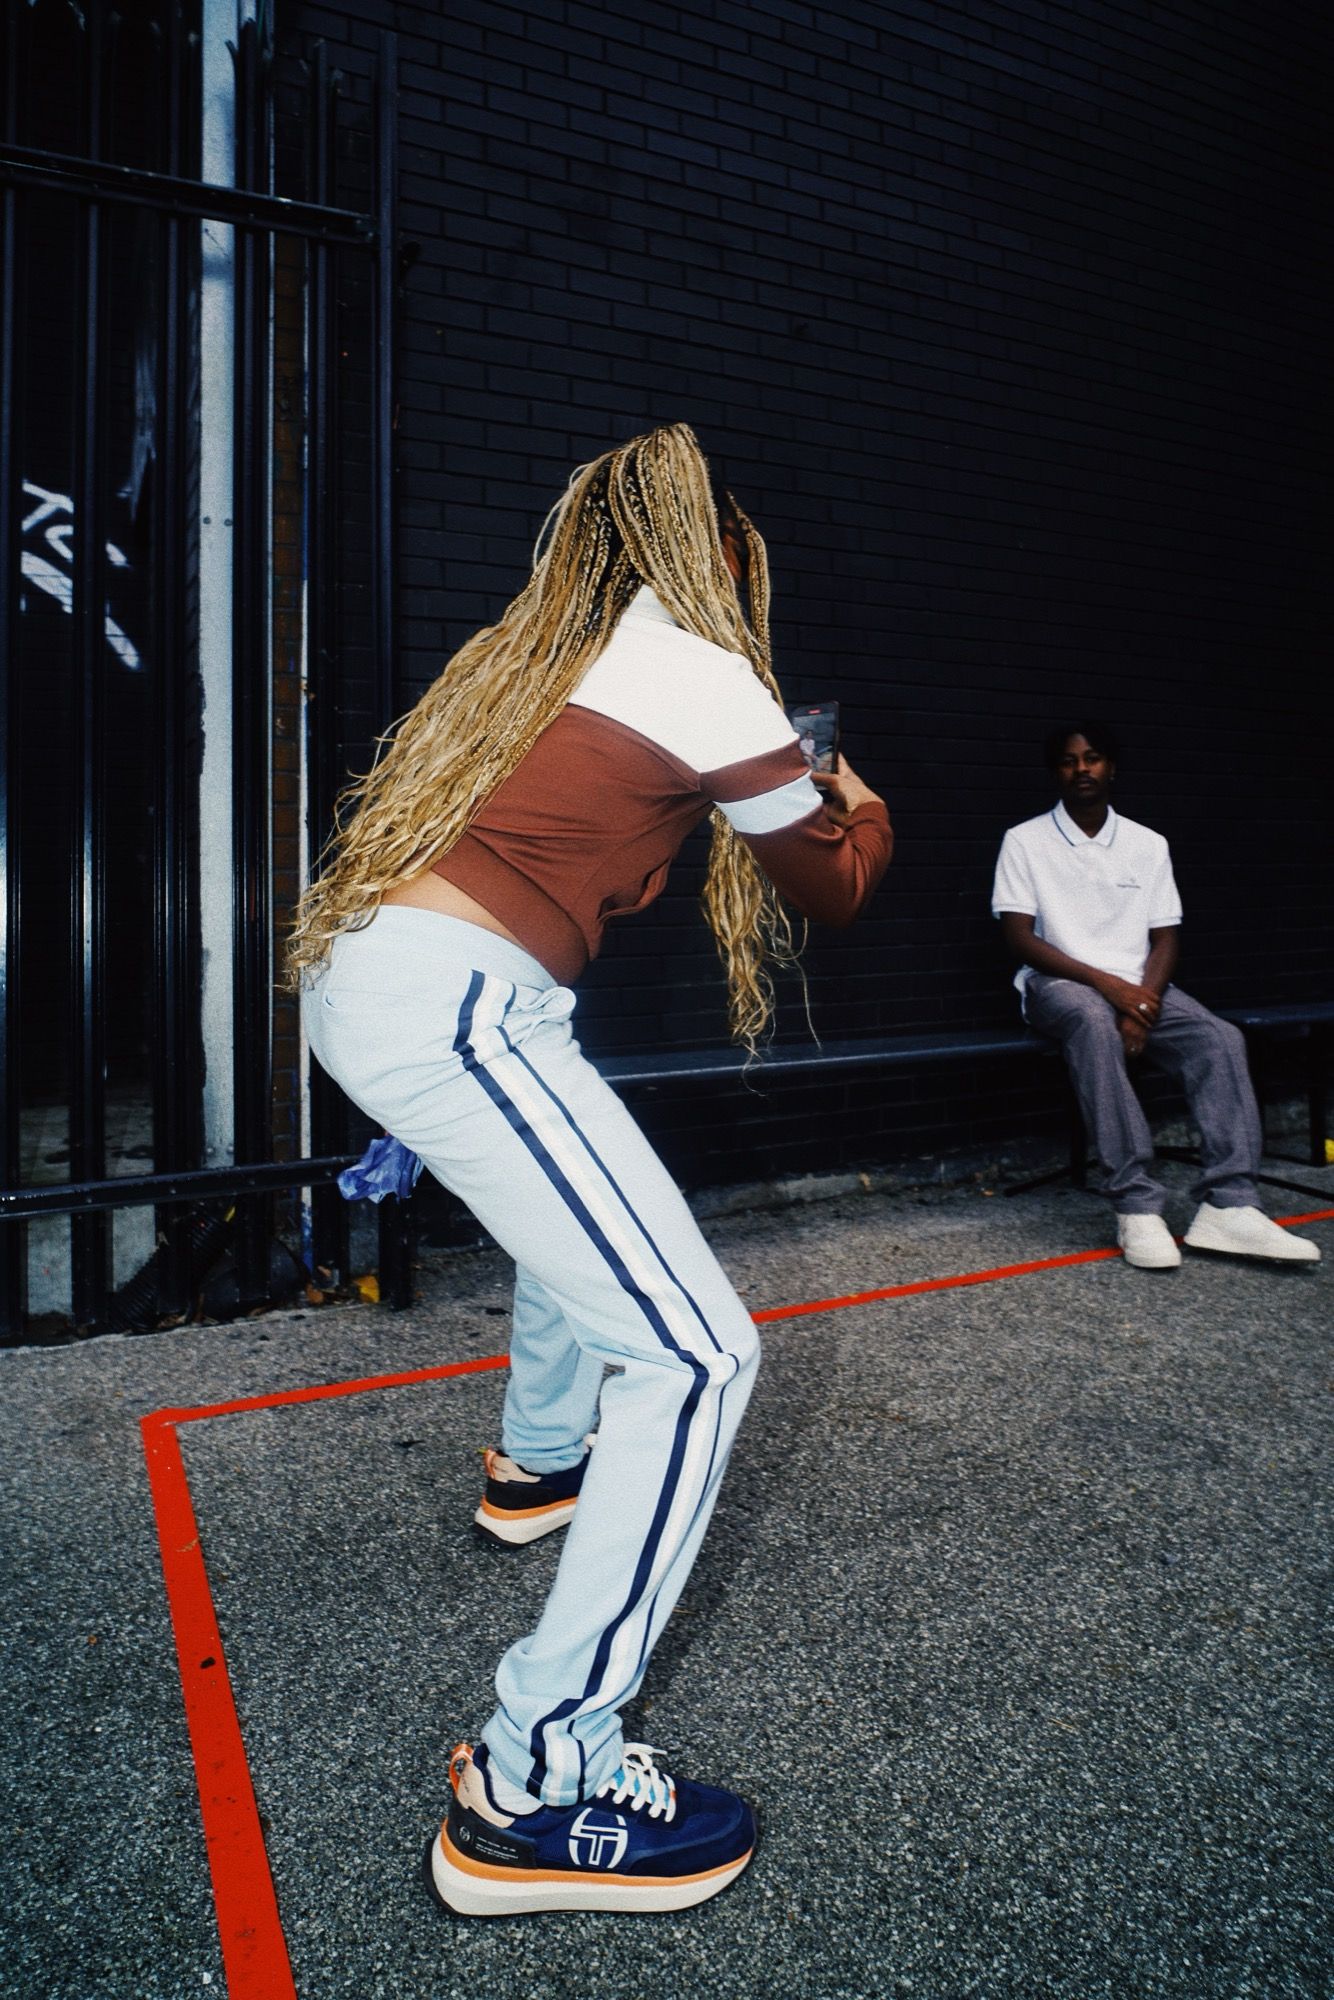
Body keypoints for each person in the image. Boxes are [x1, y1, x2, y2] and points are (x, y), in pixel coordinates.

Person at [289, 423, 893, 1916]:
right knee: (697, 1356)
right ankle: (534, 1777)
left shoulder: (539, 655)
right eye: (741, 561)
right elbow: (831, 885)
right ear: (712, 559)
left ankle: (537, 1462)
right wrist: (860, 798)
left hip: (418, 984)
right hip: (453, 1004)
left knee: (601, 1234)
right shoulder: (701, 670)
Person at [991, 720, 1320, 1271]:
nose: (1082, 769)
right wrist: (1113, 989)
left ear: (1111, 768)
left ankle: (1230, 1205)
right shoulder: (1025, 840)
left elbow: (1165, 938)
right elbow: (1020, 938)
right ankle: (1136, 1205)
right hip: (1059, 985)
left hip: (1139, 985)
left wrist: (1141, 1003)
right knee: (1093, 1021)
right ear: (1056, 772)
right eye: (1069, 761)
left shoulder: (1147, 843)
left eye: (1093, 758)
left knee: (1220, 1038)